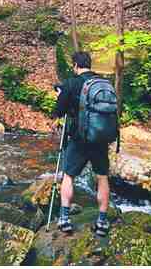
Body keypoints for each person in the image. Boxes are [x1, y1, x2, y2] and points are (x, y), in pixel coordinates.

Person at [53, 51, 111, 236]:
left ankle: (64, 219)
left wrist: (61, 95)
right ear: (89, 64)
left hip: (79, 139)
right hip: (100, 139)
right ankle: (102, 222)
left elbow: (58, 111)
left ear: (76, 65)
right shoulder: (104, 83)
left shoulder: (72, 83)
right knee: (102, 177)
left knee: (68, 176)